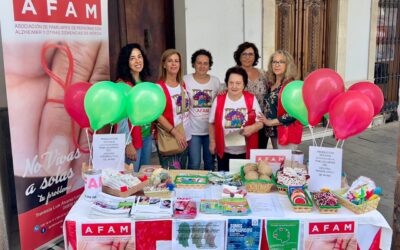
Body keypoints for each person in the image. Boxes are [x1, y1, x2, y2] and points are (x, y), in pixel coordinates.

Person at [209, 67, 263, 171]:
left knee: (244, 182)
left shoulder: (251, 99)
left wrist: (253, 128)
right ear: (226, 83)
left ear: (244, 85)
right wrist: (212, 142)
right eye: (231, 83)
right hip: (224, 152)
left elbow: (261, 122)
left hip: (246, 152)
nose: (234, 86)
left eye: (238, 83)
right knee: (225, 181)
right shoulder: (219, 99)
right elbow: (211, 123)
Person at [115, 43, 153, 172]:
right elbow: (120, 117)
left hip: (147, 136)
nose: (138, 61)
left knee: (144, 176)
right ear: (126, 62)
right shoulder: (122, 84)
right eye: (132, 58)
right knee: (131, 178)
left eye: (139, 56)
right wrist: (127, 143)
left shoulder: (144, 82)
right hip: (132, 138)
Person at [257, 50, 303, 150]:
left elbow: (294, 113)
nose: (277, 65)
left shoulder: (291, 85)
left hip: (286, 132)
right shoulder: (271, 83)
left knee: (285, 163)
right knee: (278, 162)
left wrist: (270, 122)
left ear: (288, 65)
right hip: (273, 132)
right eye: (274, 62)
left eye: (281, 62)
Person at [183, 49, 220, 170]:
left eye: (205, 63)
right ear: (193, 64)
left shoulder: (215, 81)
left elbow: (219, 103)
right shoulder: (185, 80)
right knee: (194, 162)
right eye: (199, 63)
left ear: (210, 65)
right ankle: (192, 187)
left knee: (210, 162)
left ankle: (210, 188)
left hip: (210, 130)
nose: (202, 66)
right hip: (193, 130)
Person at [156, 49, 191, 169]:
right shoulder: (159, 87)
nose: (174, 64)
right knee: (171, 176)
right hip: (171, 137)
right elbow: (157, 114)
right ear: (164, 65)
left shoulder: (182, 84)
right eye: (170, 61)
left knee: (182, 175)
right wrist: (176, 133)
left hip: (186, 136)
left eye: (177, 61)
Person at [233, 42, 269, 149]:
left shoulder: (264, 74)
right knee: (241, 153)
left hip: (260, 121)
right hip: (241, 121)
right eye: (244, 54)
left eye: (251, 54)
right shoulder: (234, 73)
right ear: (239, 56)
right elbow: (229, 91)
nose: (247, 57)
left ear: (255, 56)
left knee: (259, 152)